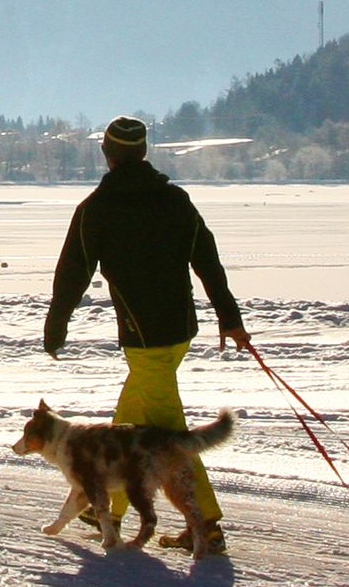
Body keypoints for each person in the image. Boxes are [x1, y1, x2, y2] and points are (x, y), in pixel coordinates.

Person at [43, 116, 252, 553]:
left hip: (144, 339)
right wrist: (229, 318)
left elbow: (72, 272)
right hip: (180, 332)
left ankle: (207, 524)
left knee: (170, 438)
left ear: (107, 153)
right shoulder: (176, 200)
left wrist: (57, 323)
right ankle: (106, 510)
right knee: (125, 425)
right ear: (143, 152)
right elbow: (208, 262)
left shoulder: (97, 208)